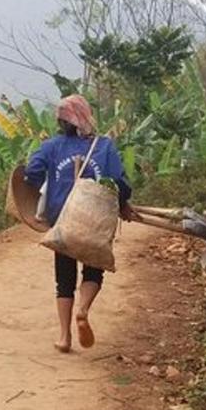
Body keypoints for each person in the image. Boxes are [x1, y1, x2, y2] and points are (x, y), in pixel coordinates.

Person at [24, 94, 135, 353]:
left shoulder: (51, 147)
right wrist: (124, 203)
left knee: (64, 278)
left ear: (62, 121)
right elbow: (120, 182)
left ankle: (64, 337)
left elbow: (32, 173)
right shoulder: (104, 146)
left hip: (63, 221)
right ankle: (83, 309)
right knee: (94, 271)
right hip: (94, 221)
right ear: (86, 118)